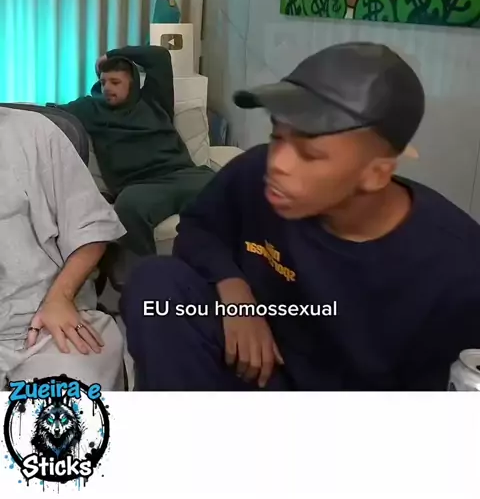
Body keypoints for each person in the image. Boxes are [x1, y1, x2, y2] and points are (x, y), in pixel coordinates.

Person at [121, 42, 480, 391]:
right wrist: (235, 292)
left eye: (310, 154)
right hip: (257, 365)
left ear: (376, 173)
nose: (278, 163)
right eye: (277, 136)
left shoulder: (456, 270)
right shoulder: (254, 172)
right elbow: (200, 228)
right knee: (156, 284)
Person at [0, 106, 126, 391]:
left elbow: (92, 226)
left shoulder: (35, 132)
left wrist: (61, 297)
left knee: (65, 407)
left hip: (46, 318)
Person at [60, 45, 213, 257]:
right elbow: (51, 113)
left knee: (227, 186)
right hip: (140, 187)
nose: (107, 88)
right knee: (127, 208)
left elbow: (159, 56)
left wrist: (112, 54)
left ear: (132, 83)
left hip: (183, 175)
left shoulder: (154, 99)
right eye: (103, 82)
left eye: (115, 82)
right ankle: (144, 271)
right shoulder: (90, 108)